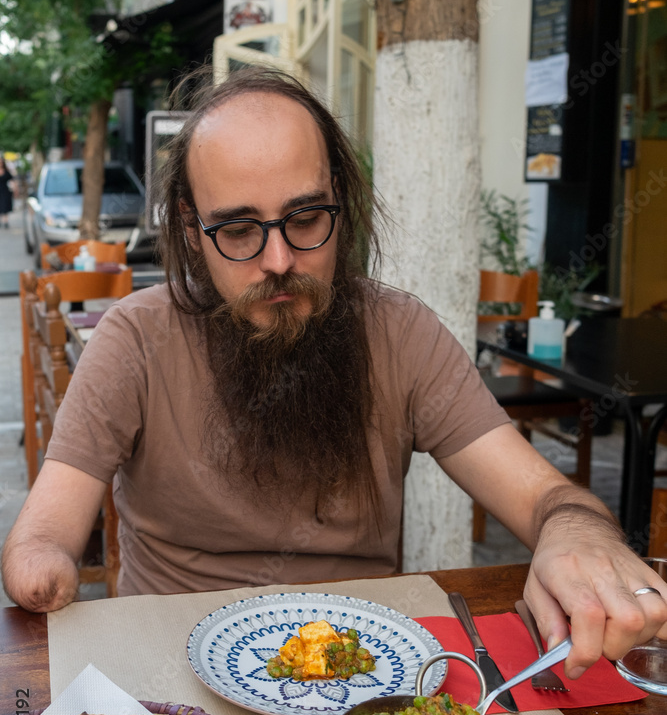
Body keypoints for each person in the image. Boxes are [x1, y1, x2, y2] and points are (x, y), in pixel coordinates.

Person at [2, 68, 666, 681]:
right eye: (236, 229)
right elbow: (42, 536)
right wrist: (42, 567)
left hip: (360, 675)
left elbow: (547, 499)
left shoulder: (400, 333)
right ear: (190, 226)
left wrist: (575, 532)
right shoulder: (134, 338)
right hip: (171, 674)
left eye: (306, 217)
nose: (278, 259)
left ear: (338, 203)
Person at [0, 156, 14, 228]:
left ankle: (5, 222)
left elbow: (12, 180)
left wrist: (14, 188)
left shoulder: (6, 171)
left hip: (5, 190)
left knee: (5, 206)